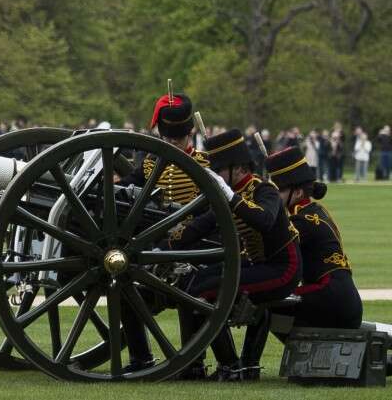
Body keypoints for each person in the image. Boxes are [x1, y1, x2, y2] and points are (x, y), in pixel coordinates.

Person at [169, 129, 301, 381]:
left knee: (205, 291)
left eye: (219, 171)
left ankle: (231, 367)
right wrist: (160, 242)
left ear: (238, 168)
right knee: (189, 285)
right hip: (255, 265)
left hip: (283, 269)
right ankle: (193, 364)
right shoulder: (227, 195)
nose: (216, 176)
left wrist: (231, 197)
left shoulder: (265, 190)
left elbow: (264, 220)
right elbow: (195, 229)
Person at [119, 92, 211, 376]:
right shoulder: (149, 164)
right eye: (168, 136)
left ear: (189, 133)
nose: (171, 142)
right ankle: (141, 358)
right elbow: (126, 189)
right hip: (156, 248)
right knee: (124, 287)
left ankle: (192, 363)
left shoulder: (205, 164)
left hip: (195, 247)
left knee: (189, 288)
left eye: (177, 137)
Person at [265, 147, 362, 329]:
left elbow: (269, 250)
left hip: (329, 297)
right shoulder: (315, 210)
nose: (274, 197)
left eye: (278, 192)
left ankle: (248, 359)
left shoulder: (303, 221)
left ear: (298, 192)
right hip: (343, 298)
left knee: (263, 306)